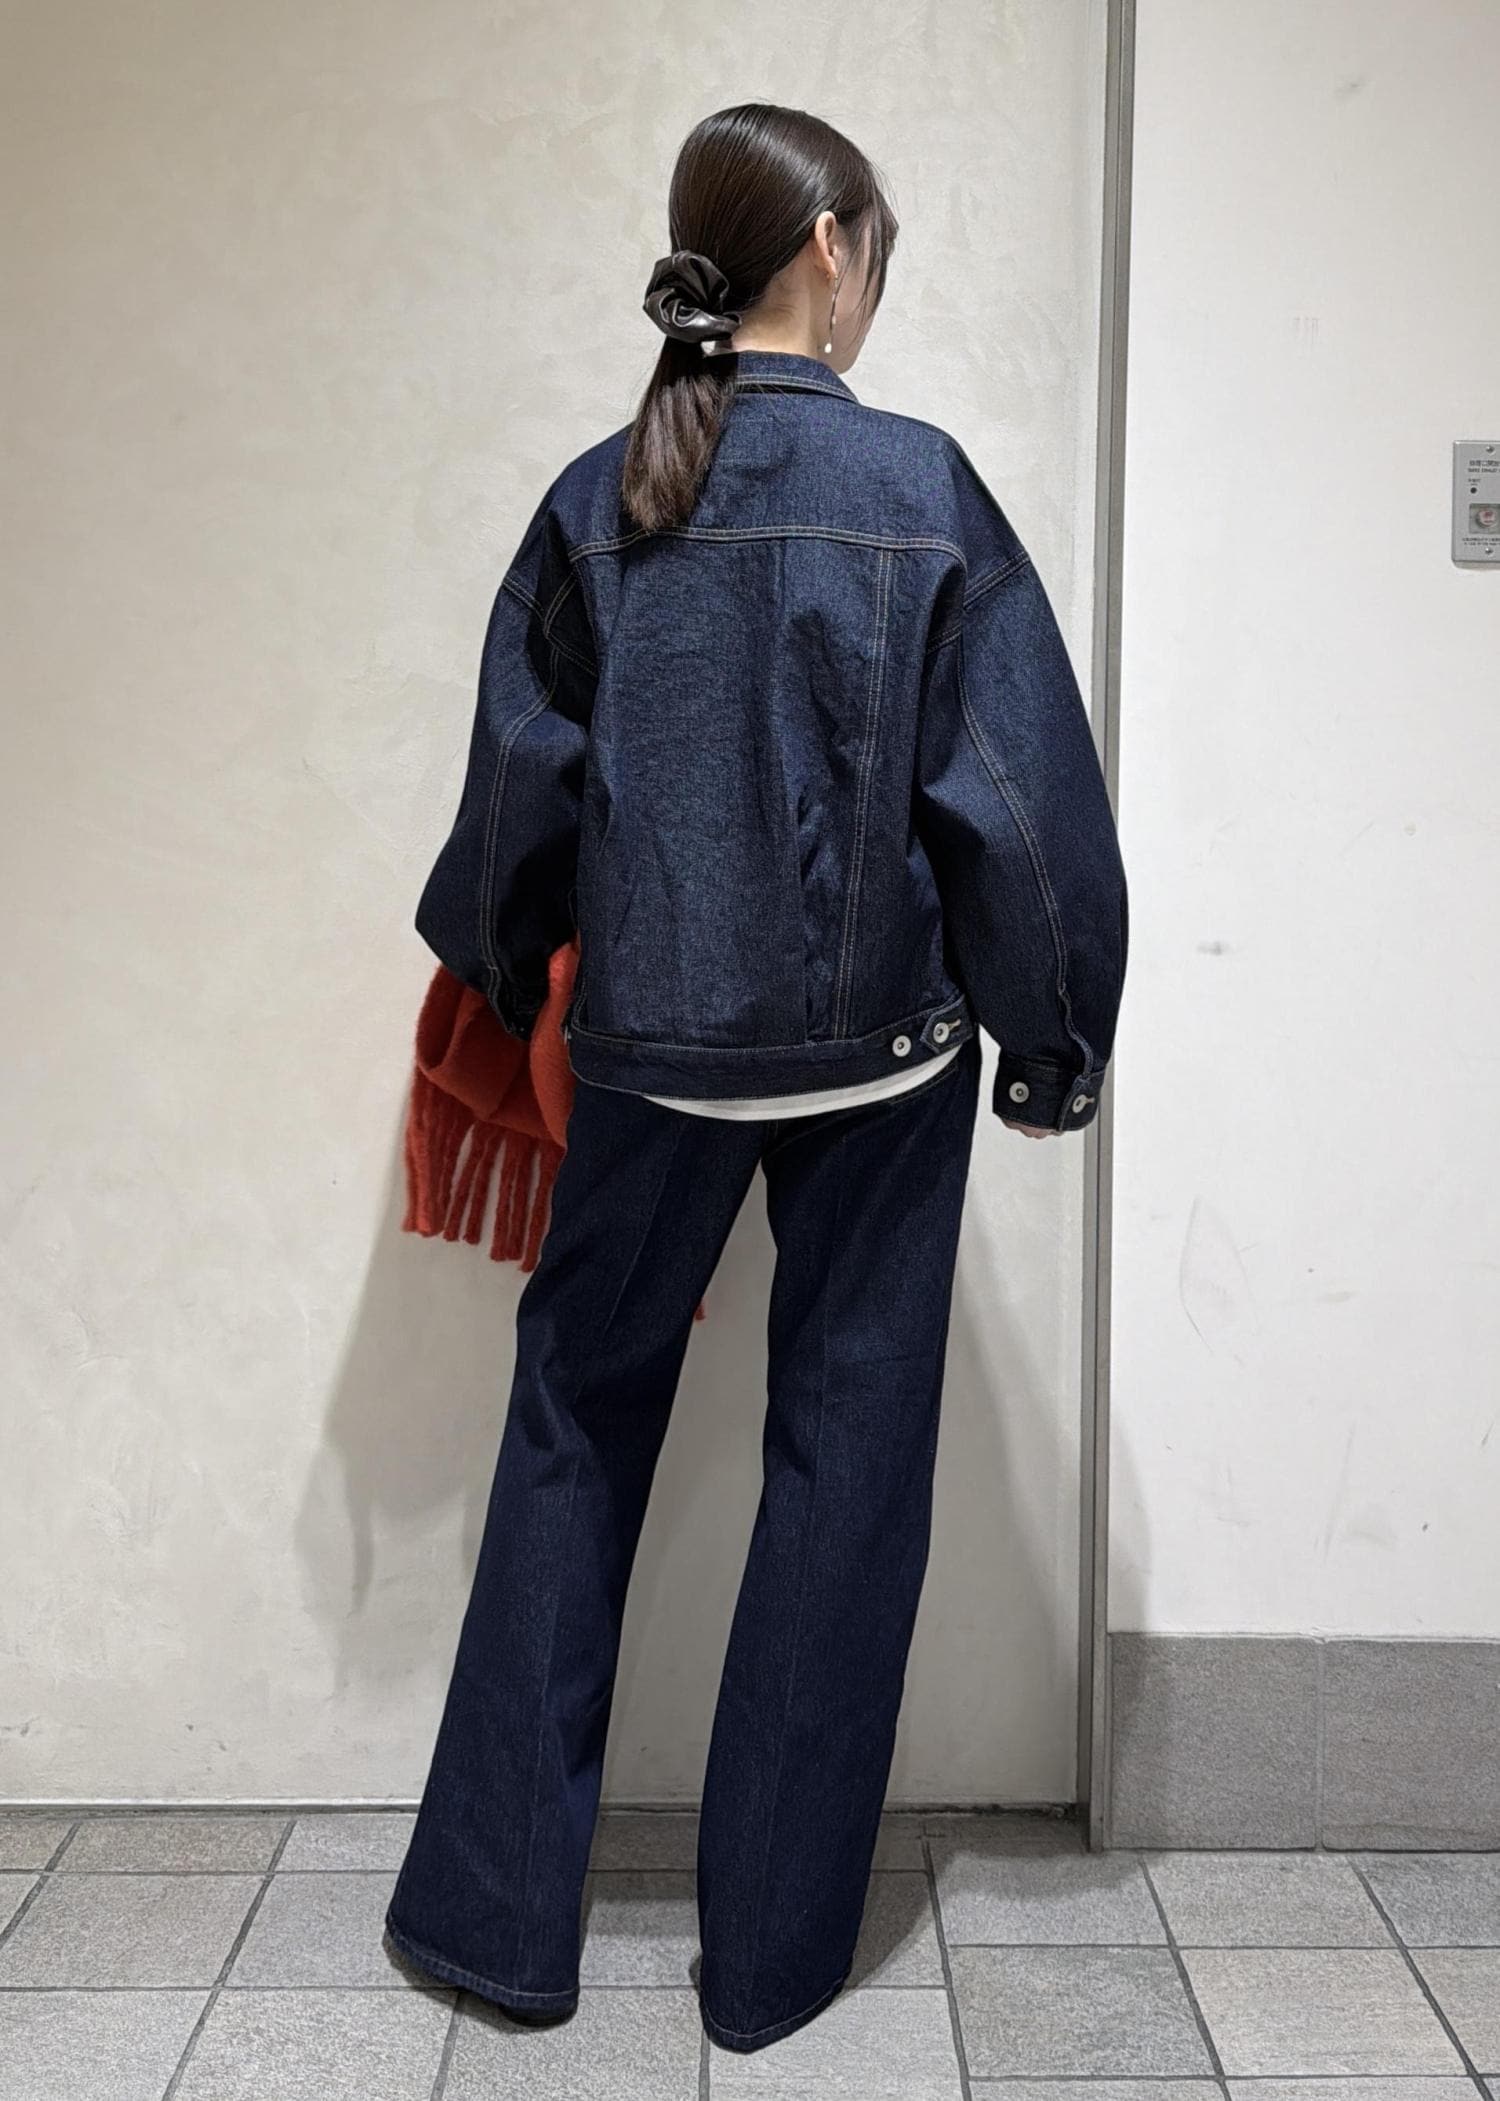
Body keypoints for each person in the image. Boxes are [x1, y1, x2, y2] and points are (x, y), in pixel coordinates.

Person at [384, 99, 1128, 2056]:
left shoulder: (600, 497)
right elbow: (1022, 809)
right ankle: (772, 1967)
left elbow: (518, 789)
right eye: (879, 259)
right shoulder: (922, 489)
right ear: (830, 250)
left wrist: (498, 962)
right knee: (843, 1466)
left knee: (574, 1425)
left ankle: (491, 1925)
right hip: (880, 1061)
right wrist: (1053, 1038)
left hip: (648, 1057)